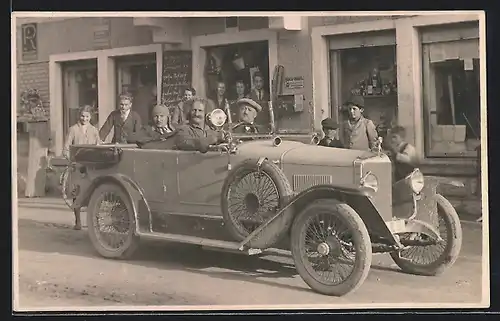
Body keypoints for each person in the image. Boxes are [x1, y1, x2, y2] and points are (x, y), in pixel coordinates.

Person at [62, 105, 101, 230]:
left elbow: (98, 145)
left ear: (91, 117)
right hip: (77, 166)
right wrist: (71, 161)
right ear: (79, 116)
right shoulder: (73, 129)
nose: (84, 119)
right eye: (82, 116)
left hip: (90, 166)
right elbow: (66, 148)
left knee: (93, 193)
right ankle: (77, 221)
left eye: (87, 116)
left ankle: (94, 222)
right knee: (76, 193)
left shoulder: (94, 130)